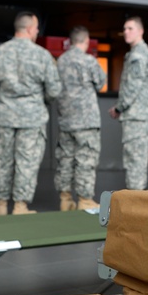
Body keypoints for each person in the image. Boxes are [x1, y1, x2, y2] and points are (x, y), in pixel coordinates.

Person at [0, 11, 61, 215]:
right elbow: (54, 90)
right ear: (29, 29)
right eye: (36, 28)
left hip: (4, 116)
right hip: (32, 117)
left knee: (2, 160)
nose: (37, 32)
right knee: (27, 162)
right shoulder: (42, 55)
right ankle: (20, 206)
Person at [55, 25, 106, 210]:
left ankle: (65, 198)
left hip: (66, 118)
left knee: (65, 158)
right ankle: (84, 199)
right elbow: (101, 82)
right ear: (86, 41)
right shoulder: (89, 61)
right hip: (86, 120)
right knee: (86, 157)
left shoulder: (60, 61)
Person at [108, 16, 148, 191]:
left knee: (135, 160)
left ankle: (135, 203)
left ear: (140, 31)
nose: (126, 32)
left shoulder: (138, 54)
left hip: (136, 116)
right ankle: (136, 201)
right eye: (125, 29)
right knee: (136, 159)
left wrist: (120, 107)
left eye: (130, 28)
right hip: (138, 115)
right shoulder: (137, 52)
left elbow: (133, 86)